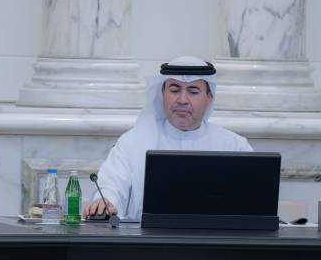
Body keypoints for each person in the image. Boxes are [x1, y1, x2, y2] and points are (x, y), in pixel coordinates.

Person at [85, 56, 253, 221]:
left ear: (209, 98)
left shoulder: (235, 147)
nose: (182, 100)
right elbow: (111, 186)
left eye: (193, 92)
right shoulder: (132, 143)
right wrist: (105, 201)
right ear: (162, 93)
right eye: (174, 90)